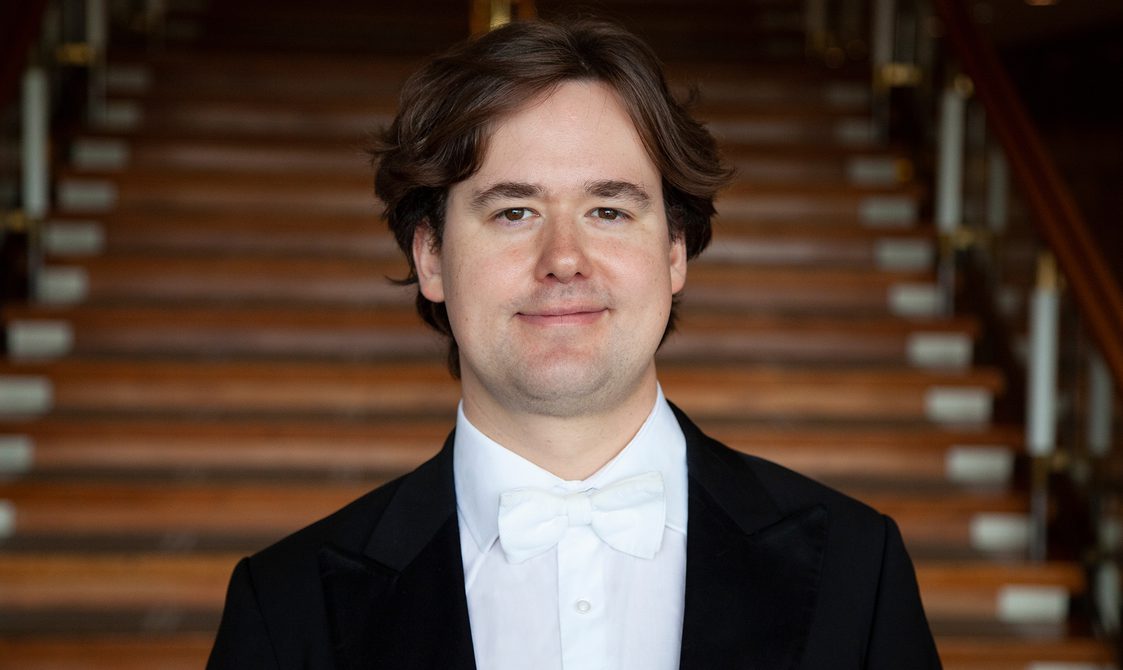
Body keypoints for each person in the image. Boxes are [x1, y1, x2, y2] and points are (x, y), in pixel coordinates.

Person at [207, 17, 941, 669]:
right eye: (515, 211)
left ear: (675, 250)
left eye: (608, 211)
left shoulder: (857, 565)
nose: (564, 257)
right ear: (430, 256)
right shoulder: (287, 604)